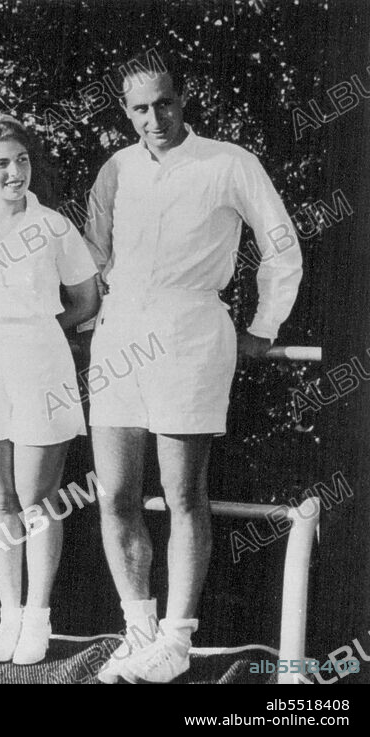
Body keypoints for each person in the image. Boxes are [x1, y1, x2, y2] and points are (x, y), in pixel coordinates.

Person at [83, 55, 303, 683]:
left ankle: (177, 641)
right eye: (139, 109)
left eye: (164, 103)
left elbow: (281, 245)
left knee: (183, 493)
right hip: (118, 336)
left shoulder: (230, 162)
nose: (155, 118)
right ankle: (139, 633)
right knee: (118, 493)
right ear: (126, 113)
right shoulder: (116, 168)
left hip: (190, 334)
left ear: (183, 99)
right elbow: (92, 261)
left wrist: (263, 327)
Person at [0, 113, 100, 663]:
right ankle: (7, 615)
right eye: (2, 163)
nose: (14, 172)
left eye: (22, 160)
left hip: (41, 362)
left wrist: (38, 329)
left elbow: (86, 299)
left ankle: (38, 617)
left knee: (37, 500)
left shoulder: (55, 226)